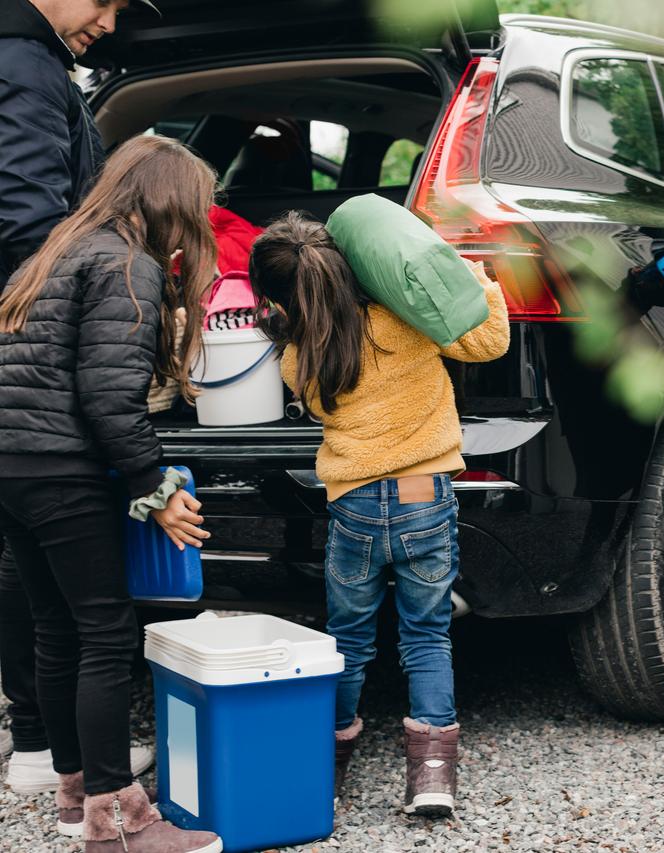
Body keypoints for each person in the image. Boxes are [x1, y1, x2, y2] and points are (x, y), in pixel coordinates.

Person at [0, 134, 222, 853]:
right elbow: (108, 396)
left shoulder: (59, 246)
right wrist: (154, 486)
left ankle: (75, 791)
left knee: (56, 628)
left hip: (13, 464)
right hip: (61, 468)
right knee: (106, 632)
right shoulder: (127, 264)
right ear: (169, 202)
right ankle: (115, 821)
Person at [247, 212, 510, 818]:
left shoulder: (299, 357)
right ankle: (433, 775)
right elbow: (487, 341)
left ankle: (328, 765)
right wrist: (472, 278)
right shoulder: (404, 322)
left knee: (349, 640)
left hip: (356, 505)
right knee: (426, 632)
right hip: (423, 494)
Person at [0, 0, 159, 793]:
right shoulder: (26, 66)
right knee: (99, 621)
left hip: (14, 426)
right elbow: (28, 219)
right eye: (107, 1)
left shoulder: (35, 62)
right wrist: (152, 482)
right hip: (49, 421)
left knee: (45, 596)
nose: (111, 19)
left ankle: (48, 757)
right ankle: (106, 802)